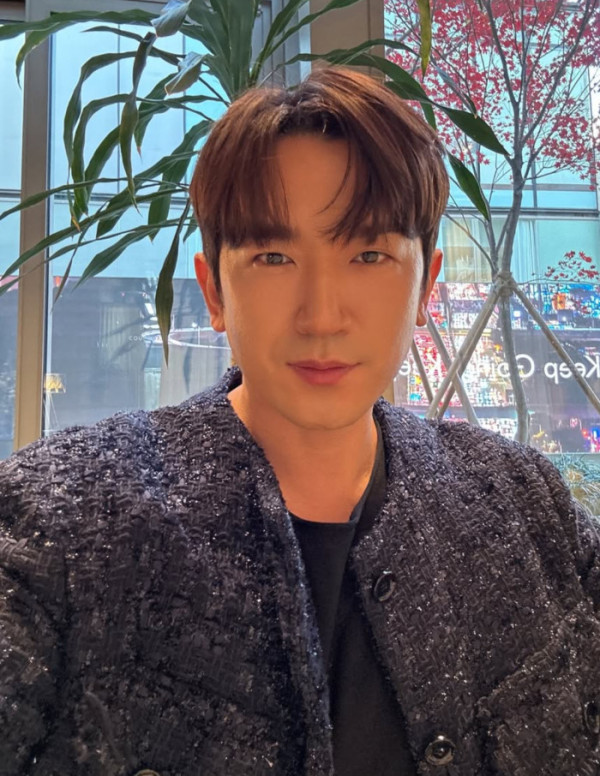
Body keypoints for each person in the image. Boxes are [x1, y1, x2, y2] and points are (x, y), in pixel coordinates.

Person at [1, 66, 600, 776]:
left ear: (425, 287)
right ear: (214, 291)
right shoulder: (64, 522)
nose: (321, 316)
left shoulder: (525, 509)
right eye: (274, 256)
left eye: (369, 254)